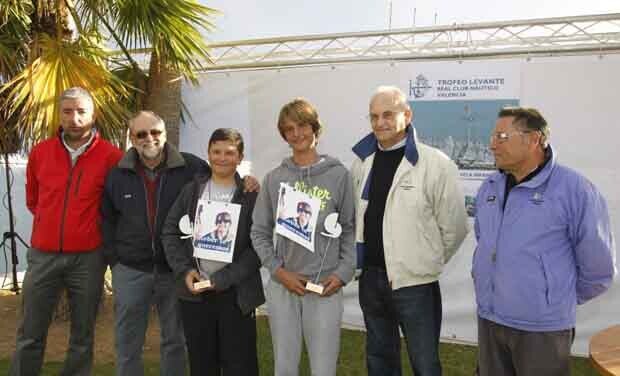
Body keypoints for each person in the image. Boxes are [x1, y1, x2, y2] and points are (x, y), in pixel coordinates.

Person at [473, 107, 616, 376]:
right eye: (493, 137)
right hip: (490, 318)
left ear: (534, 139)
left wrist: (552, 300)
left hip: (542, 329)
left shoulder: (575, 190)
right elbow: (486, 242)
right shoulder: (489, 187)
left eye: (501, 136)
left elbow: (599, 268)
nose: (492, 144)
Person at [351, 86, 468, 376]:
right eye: (374, 116)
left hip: (415, 284)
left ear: (407, 115)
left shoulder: (436, 164)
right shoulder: (361, 162)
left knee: (425, 364)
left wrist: (425, 261)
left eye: (388, 115)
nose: (380, 123)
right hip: (372, 279)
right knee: (380, 359)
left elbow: (454, 227)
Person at [10, 87, 123, 376]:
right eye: (68, 111)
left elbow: (116, 206)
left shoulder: (111, 156)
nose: (74, 118)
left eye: (81, 111)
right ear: (59, 115)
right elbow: (34, 200)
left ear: (93, 114)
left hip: (88, 259)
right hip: (43, 256)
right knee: (30, 332)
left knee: (82, 336)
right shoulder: (40, 152)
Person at [251, 98, 356, 376]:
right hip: (284, 286)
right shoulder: (275, 179)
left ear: (315, 128)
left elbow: (350, 228)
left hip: (325, 287)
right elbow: (259, 232)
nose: (296, 134)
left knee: (323, 368)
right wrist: (278, 271)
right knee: (285, 366)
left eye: (302, 125)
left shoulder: (339, 176)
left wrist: (343, 273)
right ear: (283, 135)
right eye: (289, 129)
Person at [162, 128, 264, 376]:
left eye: (230, 152)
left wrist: (223, 279)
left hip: (236, 295)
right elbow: (170, 232)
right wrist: (185, 271)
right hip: (196, 293)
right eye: (216, 151)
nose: (222, 157)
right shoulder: (192, 191)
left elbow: (258, 247)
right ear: (207, 154)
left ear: (240, 157)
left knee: (240, 364)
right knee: (202, 363)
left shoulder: (250, 195)